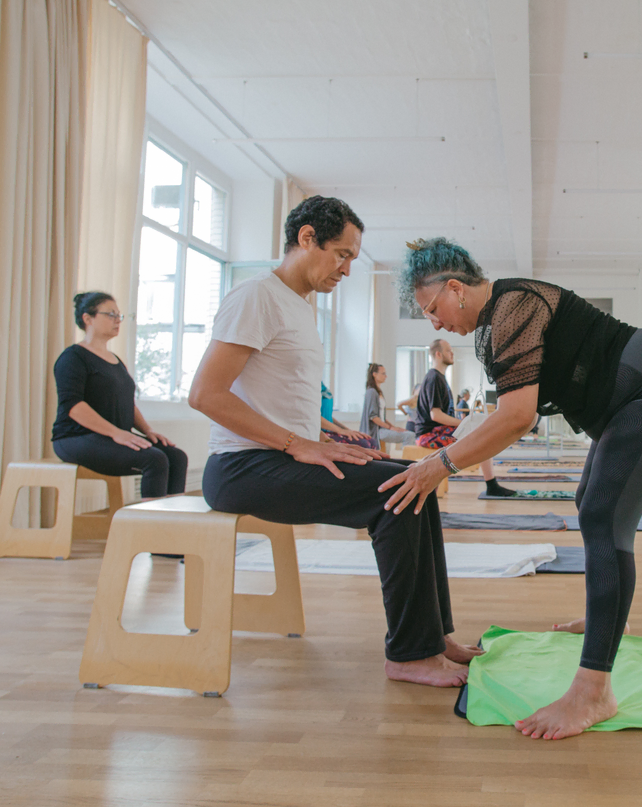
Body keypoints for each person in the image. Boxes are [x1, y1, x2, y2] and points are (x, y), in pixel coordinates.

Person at [381, 238, 642, 740]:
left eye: (432, 309)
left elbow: (517, 417)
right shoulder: (496, 319)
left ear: (455, 289)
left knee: (603, 517)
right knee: (589, 505)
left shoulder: (510, 308)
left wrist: (438, 466)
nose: (436, 323)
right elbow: (508, 415)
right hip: (628, 399)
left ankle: (593, 691)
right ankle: (602, 615)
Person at [189, 196, 481, 688]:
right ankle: (409, 653)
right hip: (240, 468)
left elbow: (268, 393)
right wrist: (297, 443)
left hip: (273, 456)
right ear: (307, 238)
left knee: (415, 480)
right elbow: (205, 394)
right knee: (396, 495)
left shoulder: (299, 306)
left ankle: (434, 636)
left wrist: (323, 430)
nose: (347, 268)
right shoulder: (255, 296)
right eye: (342, 254)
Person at [52, 291, 187, 498]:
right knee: (155, 459)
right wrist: (116, 432)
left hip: (110, 437)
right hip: (75, 438)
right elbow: (74, 407)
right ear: (88, 318)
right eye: (110, 314)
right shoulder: (73, 357)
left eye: (119, 316)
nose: (117, 320)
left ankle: (169, 522)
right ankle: (149, 528)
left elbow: (127, 403)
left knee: (176, 457)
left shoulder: (115, 360)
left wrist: (148, 430)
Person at [415, 338, 516, 497]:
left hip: (439, 430)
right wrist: (463, 423)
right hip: (429, 434)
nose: (452, 353)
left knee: (481, 434)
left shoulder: (439, 378)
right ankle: (491, 485)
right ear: (439, 354)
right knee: (479, 437)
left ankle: (491, 485)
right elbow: (435, 415)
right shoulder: (434, 378)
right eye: (449, 350)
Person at [360, 363, 416, 447]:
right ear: (374, 374)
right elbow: (374, 417)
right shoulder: (372, 392)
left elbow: (381, 417)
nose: (386, 376)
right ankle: (407, 459)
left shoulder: (377, 392)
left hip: (382, 429)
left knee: (408, 433)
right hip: (376, 432)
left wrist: (394, 427)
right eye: (383, 373)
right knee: (410, 435)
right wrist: (390, 428)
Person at [321, 382, 375, 448]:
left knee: (372, 441)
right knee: (363, 444)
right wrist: (340, 430)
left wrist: (347, 430)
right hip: (320, 433)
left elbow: (327, 416)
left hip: (331, 430)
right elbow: (314, 417)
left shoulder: (321, 384)